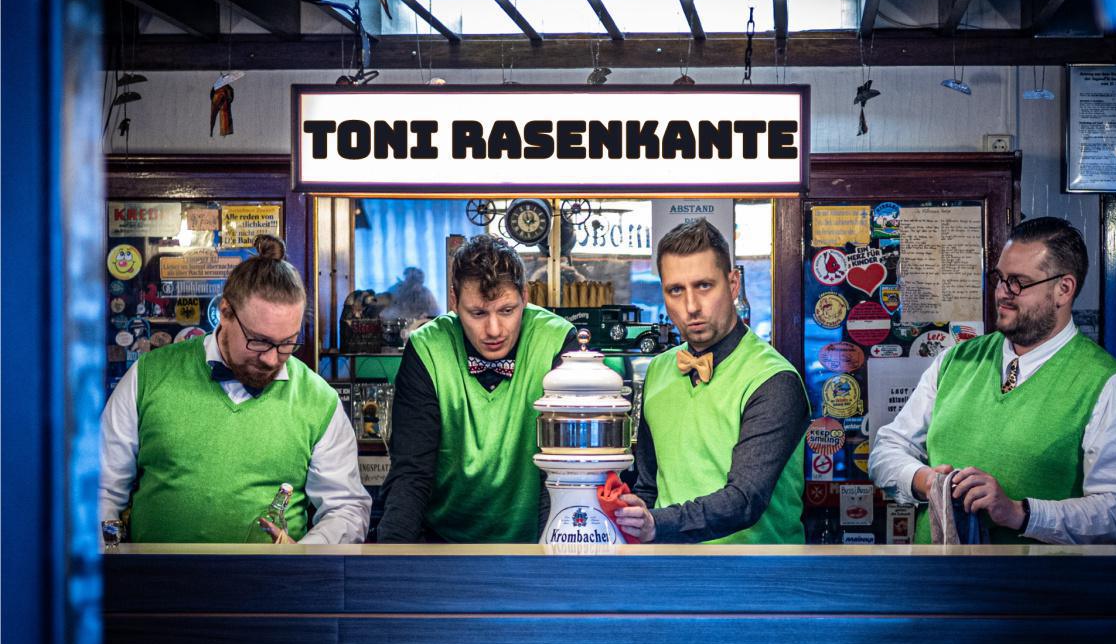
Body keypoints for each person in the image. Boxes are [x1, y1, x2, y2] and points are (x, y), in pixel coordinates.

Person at [869, 217, 1116, 544]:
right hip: (934, 584)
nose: (1003, 293)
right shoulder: (955, 360)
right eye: (1000, 278)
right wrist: (926, 481)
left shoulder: (1108, 384)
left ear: (1063, 289)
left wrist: (1019, 513)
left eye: (1019, 283)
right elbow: (887, 448)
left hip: (1031, 591)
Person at [100, 235, 371, 544]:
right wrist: (111, 557)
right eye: (259, 340)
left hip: (274, 587)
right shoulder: (147, 377)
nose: (272, 359)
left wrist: (305, 555)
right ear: (226, 311)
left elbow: (346, 508)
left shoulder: (319, 400)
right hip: (156, 586)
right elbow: (102, 489)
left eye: (286, 343)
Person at [614, 219, 810, 544]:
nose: (691, 307)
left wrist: (656, 524)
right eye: (676, 290)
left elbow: (745, 500)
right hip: (670, 573)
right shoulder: (660, 370)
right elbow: (649, 486)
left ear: (733, 285)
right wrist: (635, 512)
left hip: (760, 579)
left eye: (704, 286)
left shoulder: (774, 380)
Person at [378, 234, 577, 543]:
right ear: (454, 301)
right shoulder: (427, 348)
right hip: (442, 544)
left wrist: (546, 563)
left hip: (535, 543)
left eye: (507, 311)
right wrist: (388, 568)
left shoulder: (557, 340)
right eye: (479, 313)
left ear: (525, 296)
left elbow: (561, 472)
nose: (494, 330)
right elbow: (412, 474)